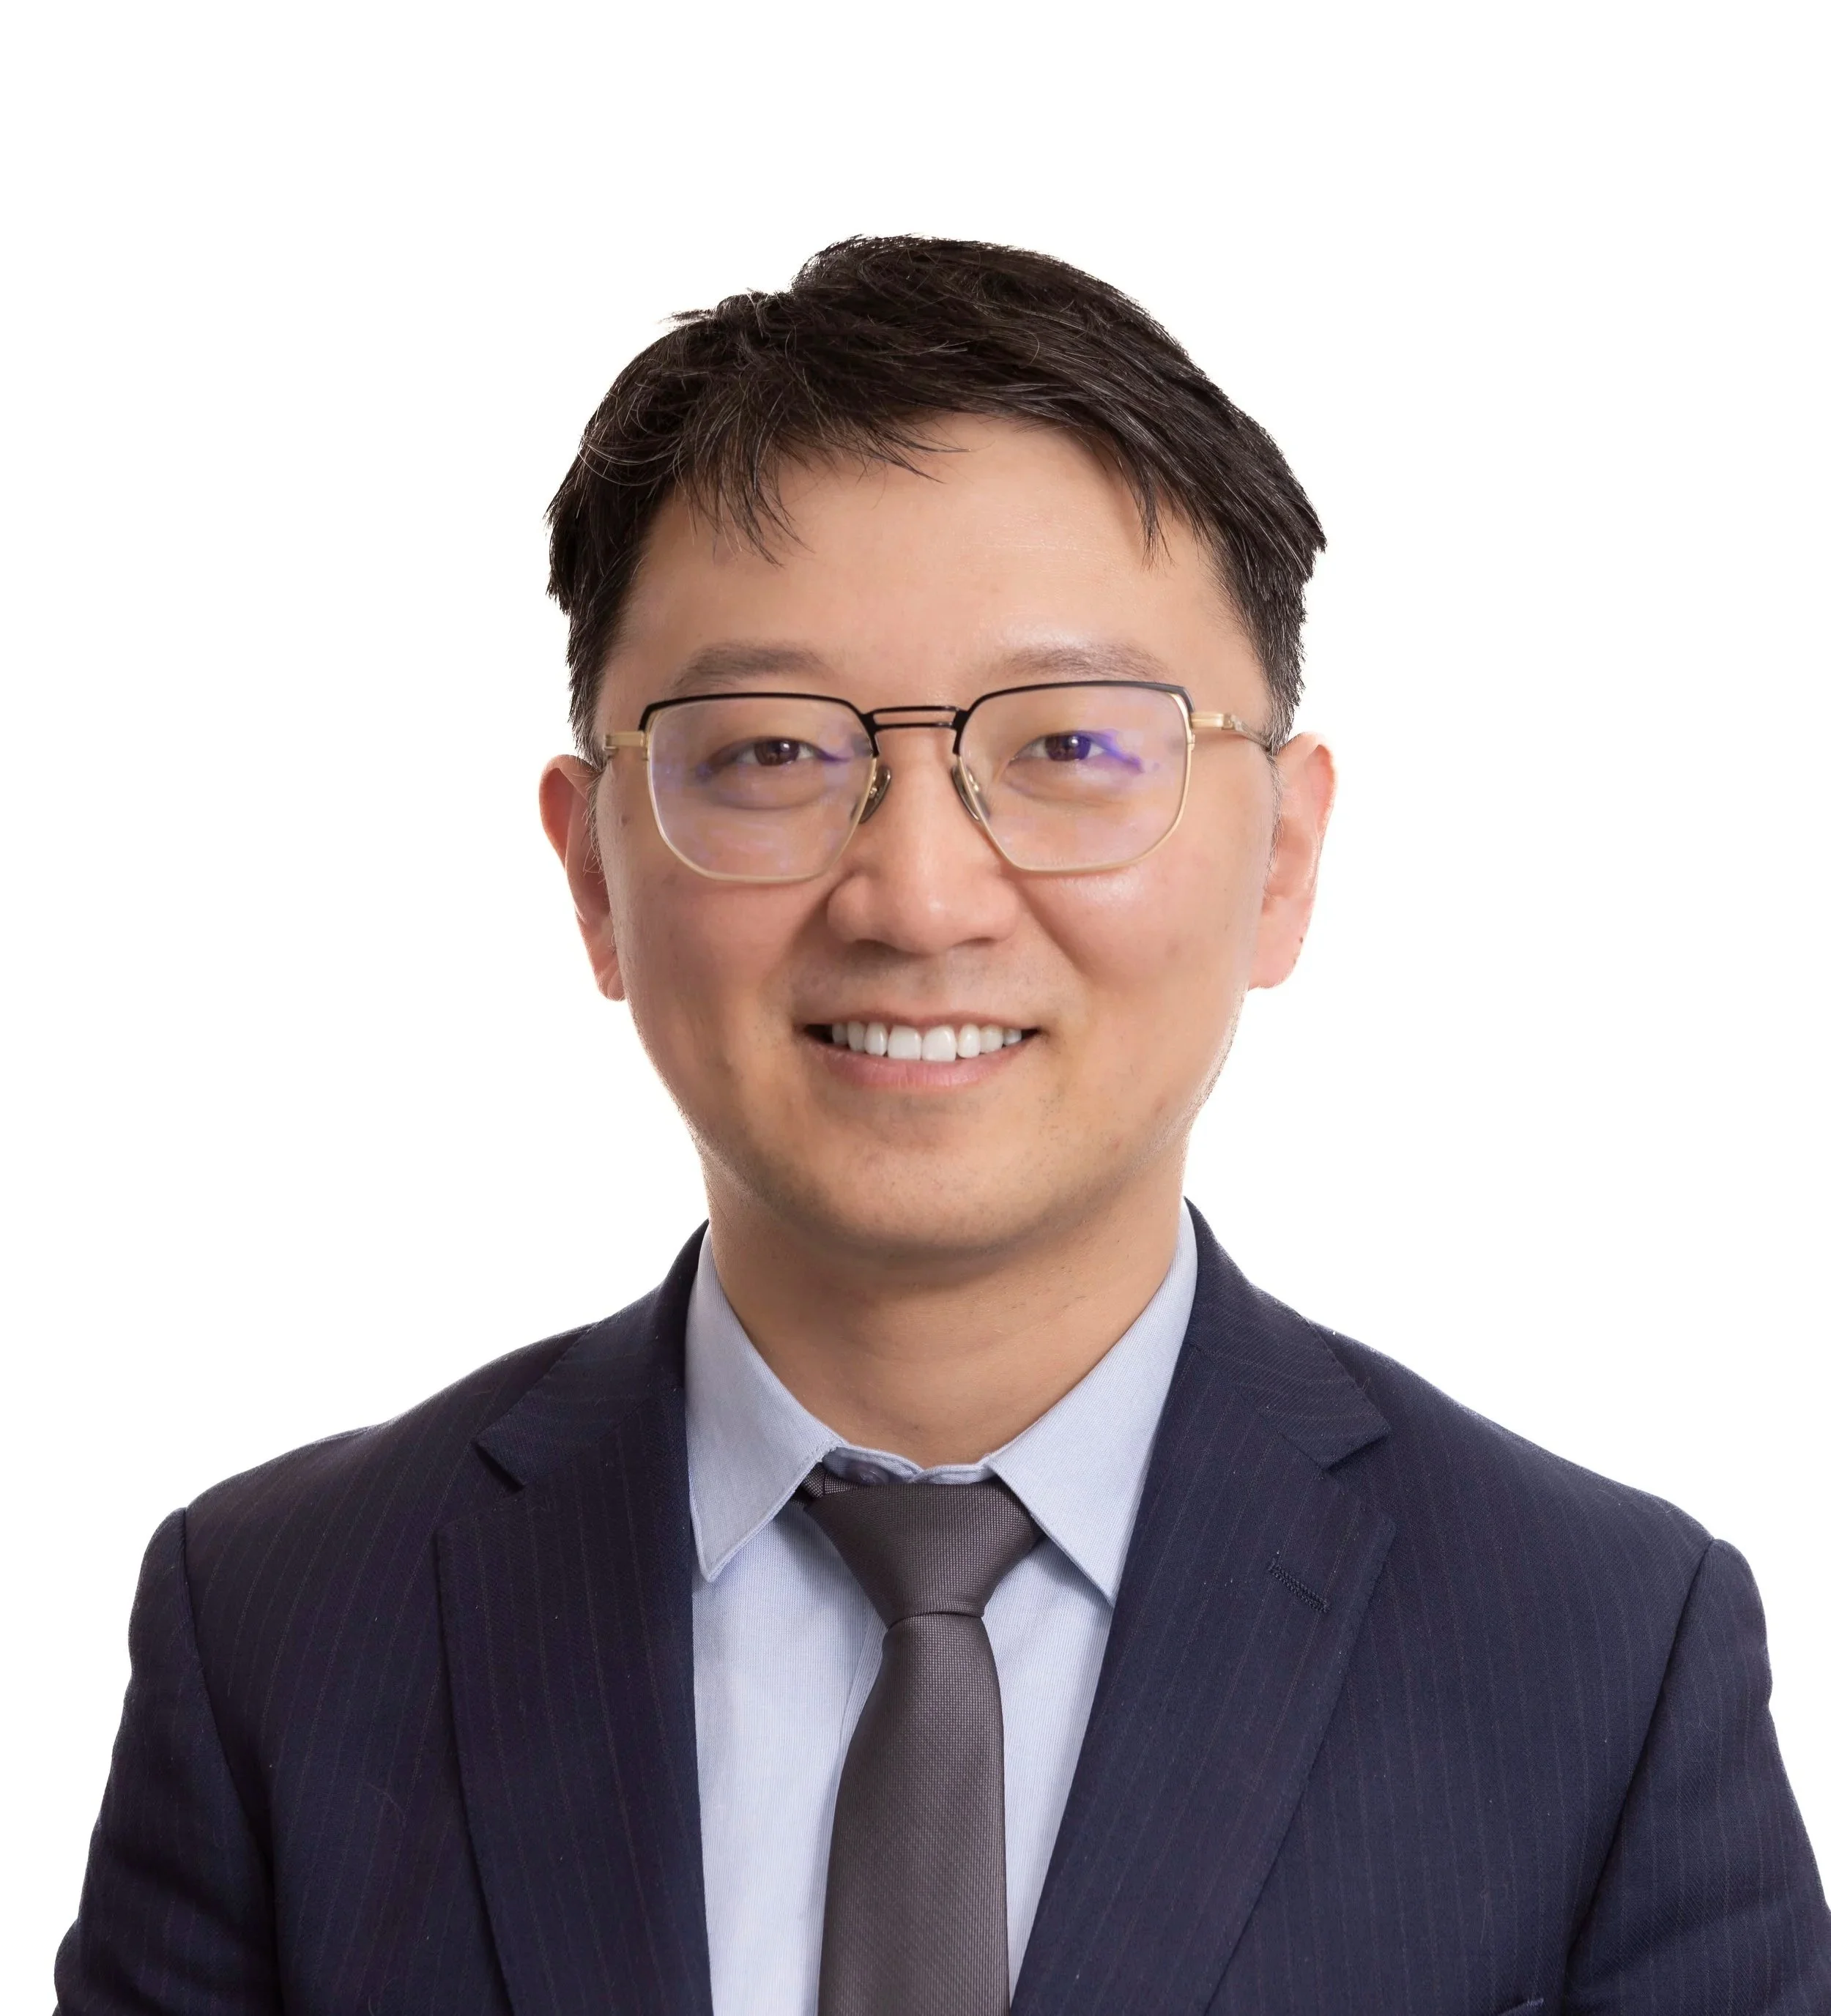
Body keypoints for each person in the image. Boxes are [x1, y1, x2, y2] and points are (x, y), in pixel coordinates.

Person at [56, 237, 1830, 2016]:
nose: (915, 892)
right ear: (593, 871)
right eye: (766, 753)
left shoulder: (1599, 1652)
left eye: (1068, 746)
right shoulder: (281, 1631)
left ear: (1281, 858)